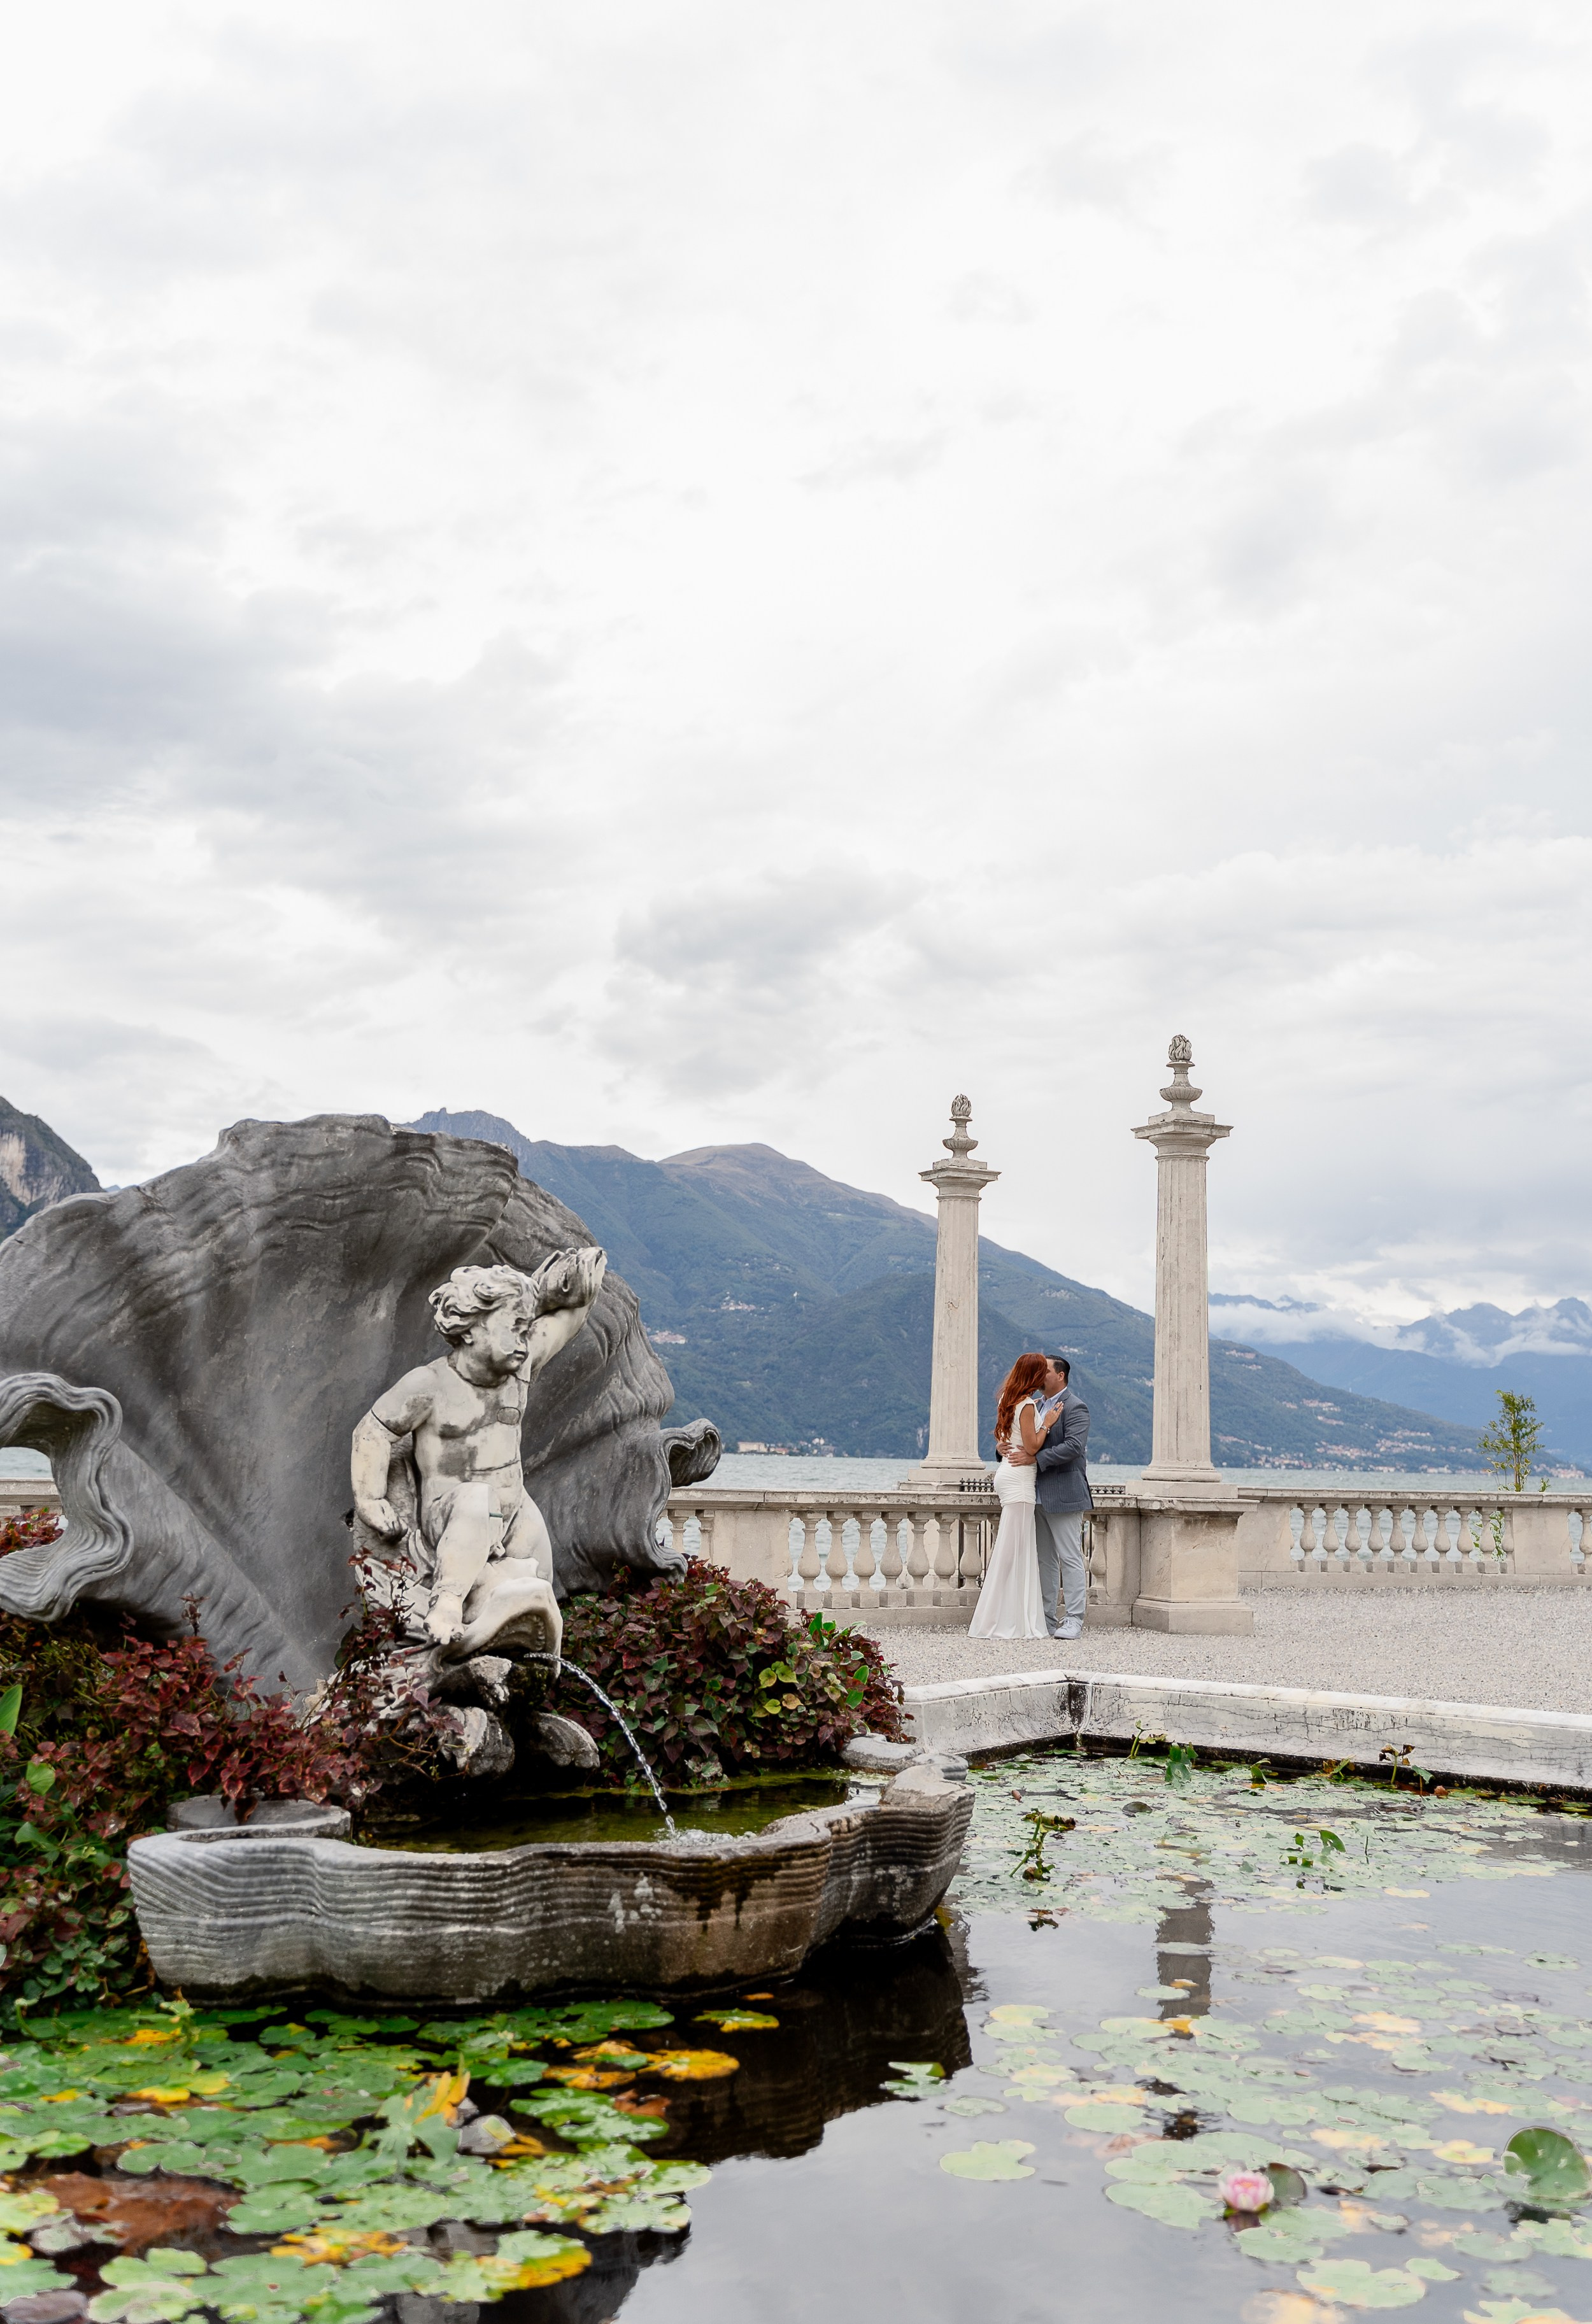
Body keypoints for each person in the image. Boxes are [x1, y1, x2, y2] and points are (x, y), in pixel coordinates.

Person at [350, 1246, 606, 1652]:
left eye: (527, 1329)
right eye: (513, 1328)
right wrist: (370, 1497)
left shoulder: (519, 1370)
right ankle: (448, 1601)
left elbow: (566, 1323)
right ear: (469, 1330)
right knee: (476, 1498)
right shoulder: (428, 1386)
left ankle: (532, 1663)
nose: (524, 1341)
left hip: (513, 1514)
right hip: (450, 1517)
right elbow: (373, 1431)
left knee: (536, 1595)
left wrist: (578, 1288)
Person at [970, 1352, 1064, 1640]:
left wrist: (1005, 1445)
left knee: (1015, 1549)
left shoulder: (1008, 1400)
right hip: (1020, 1480)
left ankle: (1007, 1616)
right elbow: (1033, 1447)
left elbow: (1006, 1441)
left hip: (1008, 1475)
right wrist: (1047, 1422)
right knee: (1014, 1551)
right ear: (1034, 1376)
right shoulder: (1025, 1405)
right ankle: (997, 1620)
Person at [1004, 1354, 1091, 1640]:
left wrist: (1036, 1460)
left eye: (1046, 1371)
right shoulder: (1035, 1405)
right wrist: (1003, 1449)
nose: (1040, 1375)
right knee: (1044, 1559)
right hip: (1035, 1493)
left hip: (1064, 1493)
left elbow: (1074, 1447)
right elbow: (1024, 1440)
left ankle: (1075, 1619)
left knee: (1070, 1557)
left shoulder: (1076, 1407)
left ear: (1061, 1376)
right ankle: (1046, 1619)